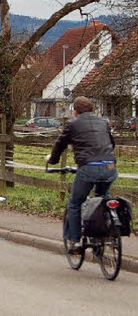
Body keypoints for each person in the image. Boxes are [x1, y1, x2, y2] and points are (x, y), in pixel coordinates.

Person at [45, 96, 117, 253]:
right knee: (103, 198)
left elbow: (60, 144)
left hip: (88, 167)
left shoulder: (72, 124)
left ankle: (76, 241)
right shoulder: (103, 122)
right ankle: (105, 234)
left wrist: (53, 160)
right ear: (92, 109)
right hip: (109, 166)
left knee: (75, 202)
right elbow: (111, 143)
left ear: (75, 111)